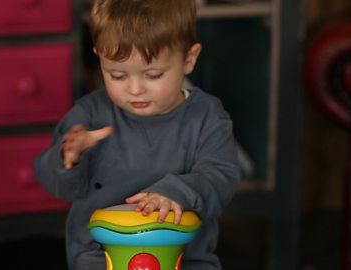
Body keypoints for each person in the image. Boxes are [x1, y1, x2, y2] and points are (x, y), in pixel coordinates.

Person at [34, 0, 240, 269]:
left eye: (153, 75)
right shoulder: (89, 115)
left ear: (188, 59)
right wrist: (68, 158)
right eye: (117, 75)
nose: (134, 90)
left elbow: (220, 178)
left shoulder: (207, 117)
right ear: (99, 58)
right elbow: (59, 187)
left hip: (185, 259)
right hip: (100, 257)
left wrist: (177, 193)